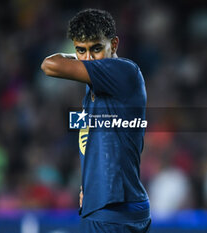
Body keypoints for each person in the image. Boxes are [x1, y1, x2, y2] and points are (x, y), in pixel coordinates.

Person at [41, 8, 151, 233]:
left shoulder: (122, 71)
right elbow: (92, 139)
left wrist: (77, 61)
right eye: (81, 50)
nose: (89, 58)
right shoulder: (94, 87)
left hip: (113, 210)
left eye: (96, 48)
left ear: (115, 44)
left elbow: (49, 65)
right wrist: (89, 184)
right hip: (106, 205)